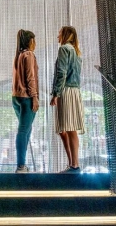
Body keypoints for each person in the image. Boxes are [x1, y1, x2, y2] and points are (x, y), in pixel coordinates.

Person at [50, 26, 85, 173]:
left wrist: (56, 94)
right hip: (75, 91)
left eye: (59, 33)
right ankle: (72, 164)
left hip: (66, 91)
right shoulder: (76, 52)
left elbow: (61, 73)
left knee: (69, 129)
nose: (58, 36)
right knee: (70, 129)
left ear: (65, 35)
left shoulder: (64, 49)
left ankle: (74, 165)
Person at [12, 29, 39, 173]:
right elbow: (30, 78)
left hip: (16, 97)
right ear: (30, 41)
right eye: (34, 40)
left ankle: (22, 165)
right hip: (26, 98)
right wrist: (34, 97)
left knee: (26, 129)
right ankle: (21, 166)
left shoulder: (19, 55)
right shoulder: (29, 55)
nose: (35, 43)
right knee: (23, 130)